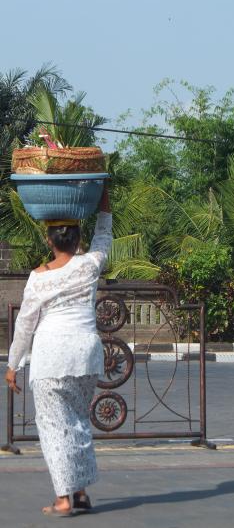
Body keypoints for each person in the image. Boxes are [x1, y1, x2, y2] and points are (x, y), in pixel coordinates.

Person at [5, 183, 112, 517]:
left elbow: (25, 323)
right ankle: (79, 493)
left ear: (50, 240)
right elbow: (105, 230)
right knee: (77, 422)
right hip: (85, 355)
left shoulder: (39, 278)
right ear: (78, 240)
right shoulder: (90, 264)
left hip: (52, 359)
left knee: (54, 428)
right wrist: (104, 191)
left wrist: (13, 364)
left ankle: (64, 498)